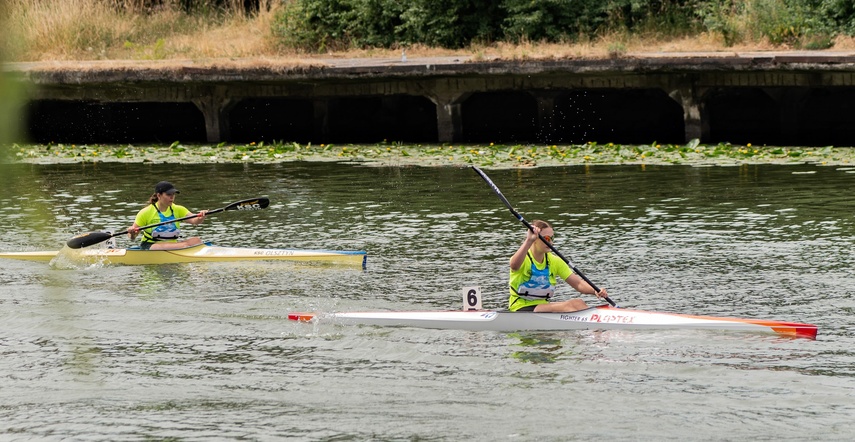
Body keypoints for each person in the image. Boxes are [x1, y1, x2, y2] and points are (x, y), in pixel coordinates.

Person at [509, 219, 608, 312]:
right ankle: (594, 327)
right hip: (521, 307)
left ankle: (595, 327)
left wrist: (595, 290)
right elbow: (514, 266)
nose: (550, 242)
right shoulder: (523, 257)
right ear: (535, 239)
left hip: (542, 307)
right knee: (569, 306)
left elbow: (578, 284)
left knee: (578, 303)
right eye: (546, 238)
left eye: (552, 238)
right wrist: (528, 240)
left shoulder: (555, 261)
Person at [128, 181, 207, 250]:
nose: (172, 197)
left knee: (197, 241)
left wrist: (201, 216)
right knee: (184, 246)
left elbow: (195, 221)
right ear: (159, 196)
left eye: (173, 194)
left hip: (173, 245)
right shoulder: (146, 212)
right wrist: (132, 233)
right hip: (150, 246)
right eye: (168, 194)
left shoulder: (178, 209)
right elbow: (132, 237)